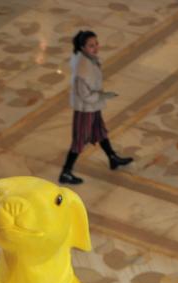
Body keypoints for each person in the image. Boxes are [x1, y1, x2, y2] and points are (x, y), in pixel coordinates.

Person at [60, 30, 133, 185]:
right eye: (91, 45)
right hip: (85, 109)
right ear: (82, 47)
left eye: (96, 44)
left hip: (92, 107)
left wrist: (100, 97)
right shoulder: (82, 69)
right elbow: (84, 94)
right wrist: (102, 96)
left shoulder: (89, 60)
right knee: (79, 140)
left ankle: (112, 158)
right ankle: (66, 172)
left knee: (100, 131)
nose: (96, 48)